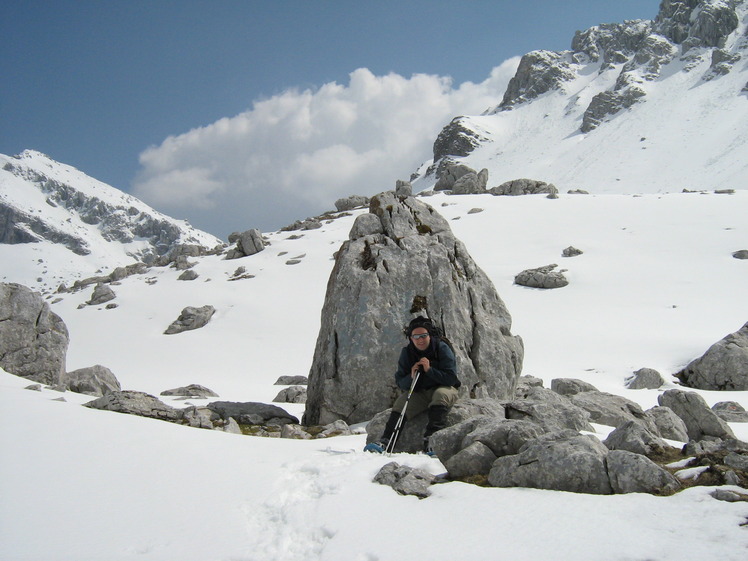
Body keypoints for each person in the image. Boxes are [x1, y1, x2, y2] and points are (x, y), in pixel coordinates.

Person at [364, 316, 460, 454]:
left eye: (423, 335)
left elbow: (451, 378)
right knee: (401, 403)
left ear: (429, 335)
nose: (420, 339)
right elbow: (401, 382)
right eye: (416, 336)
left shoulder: (441, 348)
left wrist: (429, 370)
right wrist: (411, 376)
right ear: (411, 338)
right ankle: (386, 442)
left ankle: (432, 441)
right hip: (420, 392)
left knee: (440, 395)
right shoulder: (407, 353)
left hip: (445, 388)